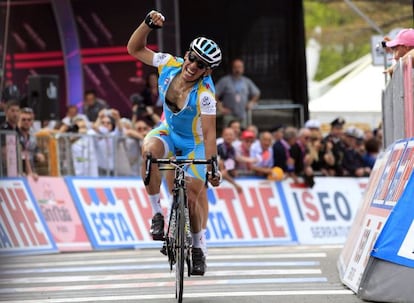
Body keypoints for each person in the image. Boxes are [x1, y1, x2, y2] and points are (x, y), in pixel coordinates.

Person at [127, 10, 221, 276]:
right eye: (192, 57)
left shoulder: (205, 95)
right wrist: (146, 24)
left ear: (207, 71)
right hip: (169, 131)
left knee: (192, 194)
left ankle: (197, 247)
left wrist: (213, 166)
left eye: (201, 65)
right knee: (149, 151)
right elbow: (134, 49)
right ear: (187, 53)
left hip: (195, 144)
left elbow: (210, 133)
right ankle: (157, 213)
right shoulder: (168, 63)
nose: (193, 65)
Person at [215, 58, 261, 128]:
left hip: (242, 114)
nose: (237, 70)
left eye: (239, 67)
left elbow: (257, 93)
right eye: (235, 67)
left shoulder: (247, 81)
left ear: (243, 68)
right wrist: (220, 107)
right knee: (229, 134)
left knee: (243, 135)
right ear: (232, 68)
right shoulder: (225, 81)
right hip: (229, 115)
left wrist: (251, 102)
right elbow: (214, 94)